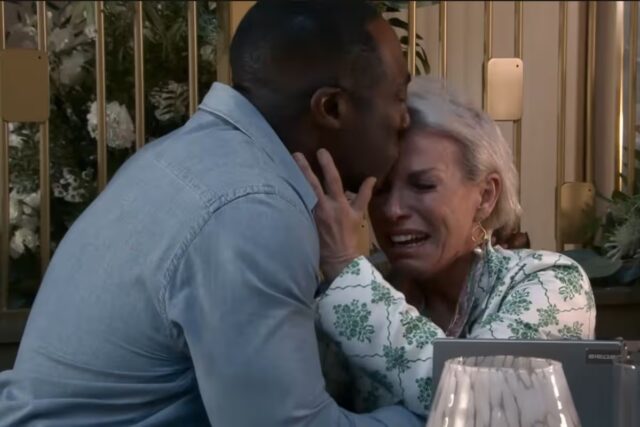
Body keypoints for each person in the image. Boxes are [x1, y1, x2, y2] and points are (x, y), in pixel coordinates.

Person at [0, 1, 422, 425]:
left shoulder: (185, 157)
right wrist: (444, 413)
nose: (405, 120)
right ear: (331, 108)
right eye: (399, 97)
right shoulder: (251, 211)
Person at [294, 76, 596, 416]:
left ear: (486, 195)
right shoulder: (356, 288)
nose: (392, 210)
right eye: (380, 189)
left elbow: (483, 403)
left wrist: (343, 265)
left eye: (423, 186)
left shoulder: (551, 283)